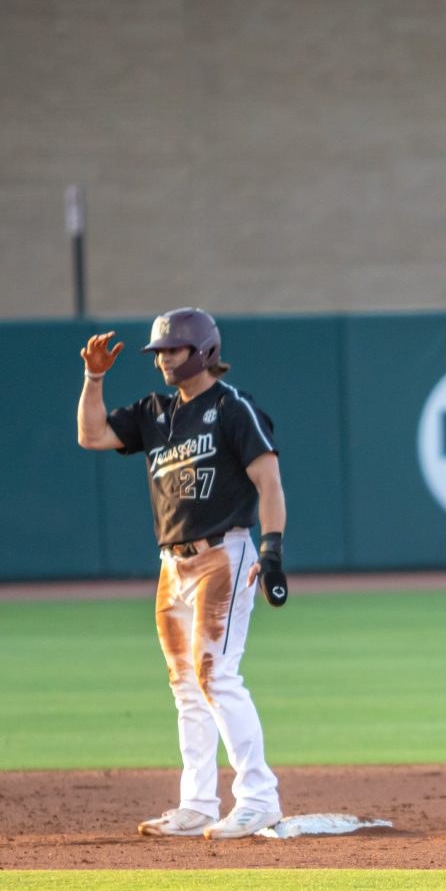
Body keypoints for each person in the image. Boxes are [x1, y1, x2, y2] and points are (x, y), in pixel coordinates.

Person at [76, 309, 291, 840]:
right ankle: (197, 802)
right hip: (173, 562)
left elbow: (269, 482)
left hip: (225, 552)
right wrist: (94, 378)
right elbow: (93, 436)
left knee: (216, 676)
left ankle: (259, 798)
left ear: (204, 351)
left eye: (173, 350)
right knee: (185, 686)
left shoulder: (233, 407)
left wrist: (272, 551)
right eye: (160, 352)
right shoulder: (156, 412)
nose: (164, 360)